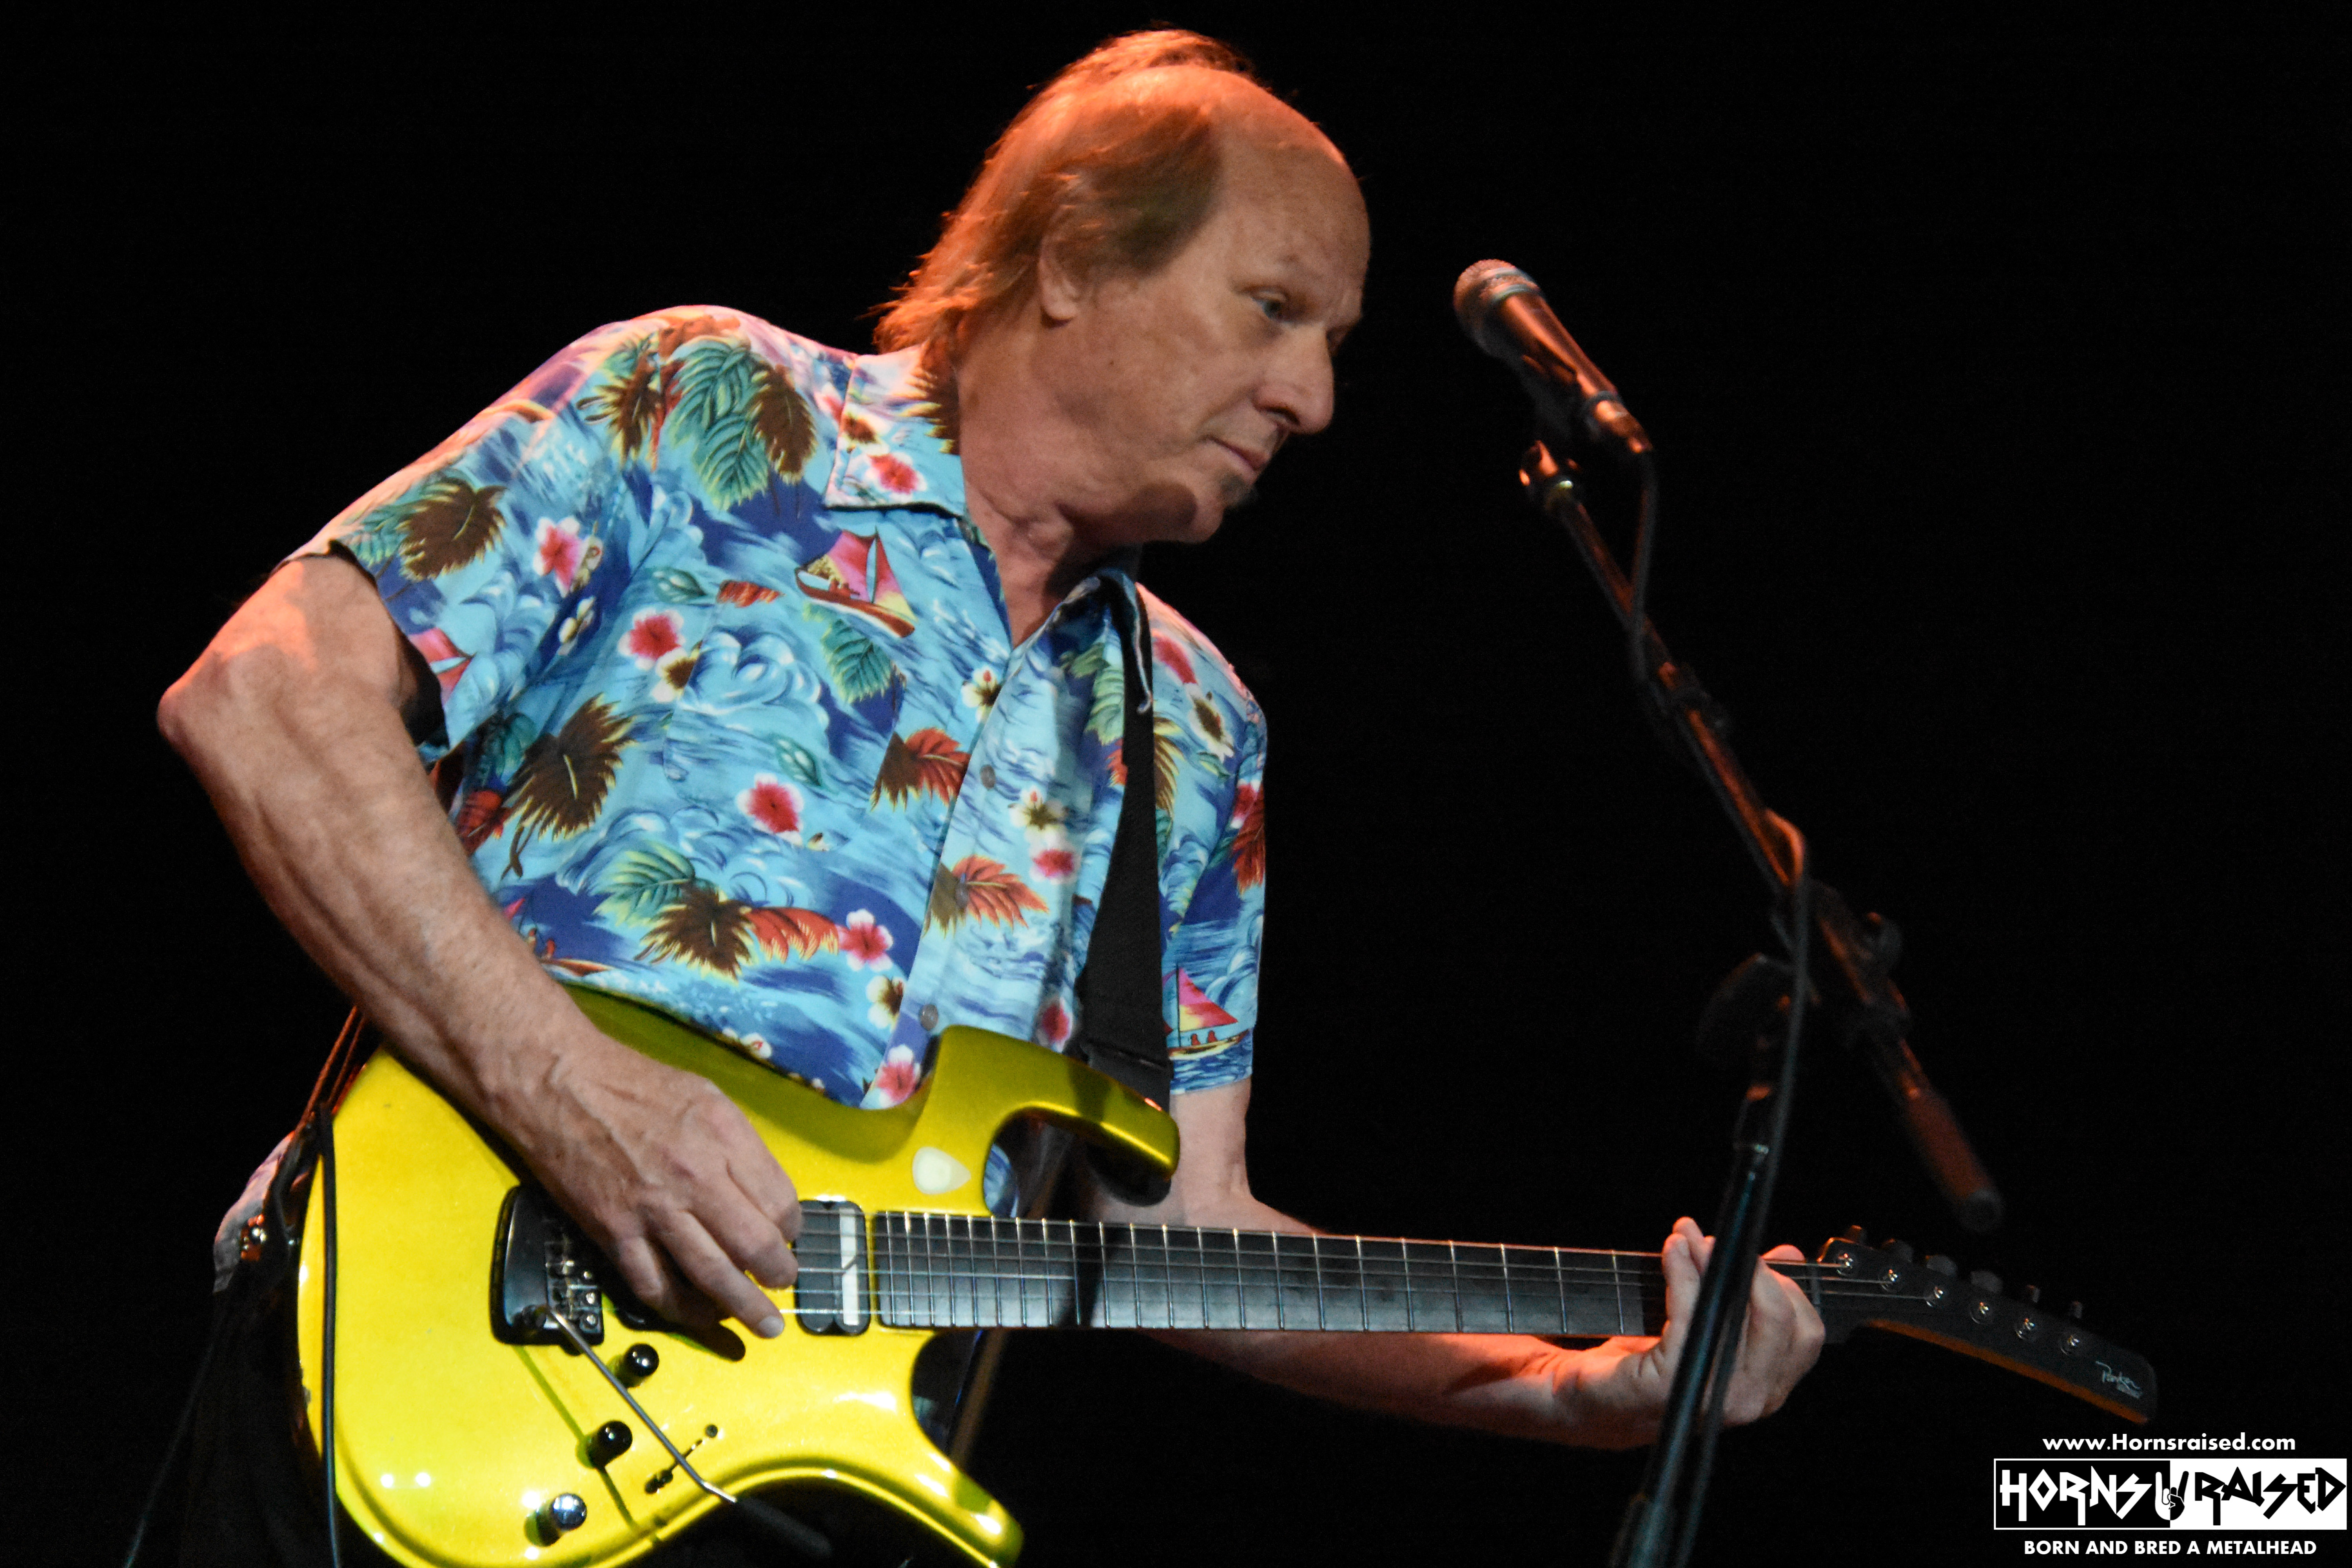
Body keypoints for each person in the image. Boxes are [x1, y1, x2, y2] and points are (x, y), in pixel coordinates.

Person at [155, 29, 1822, 1565]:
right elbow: (264, 696)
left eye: (1333, 346)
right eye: (1272, 309)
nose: (1313, 400)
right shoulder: (708, 406)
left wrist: (1577, 1387)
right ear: (1080, 256)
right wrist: (570, 1087)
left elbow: (1183, 1235)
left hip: (805, 1494)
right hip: (405, 1372)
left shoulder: (1196, 730)